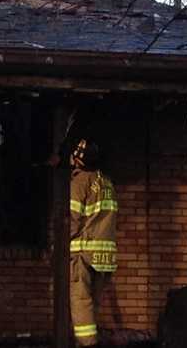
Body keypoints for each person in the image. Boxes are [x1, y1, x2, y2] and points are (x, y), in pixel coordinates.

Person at [69, 137, 118, 346]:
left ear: (79, 159)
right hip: (105, 257)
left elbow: (72, 219)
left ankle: (88, 344)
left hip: (84, 254)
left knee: (81, 302)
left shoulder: (81, 181)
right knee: (93, 305)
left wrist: (60, 243)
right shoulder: (106, 182)